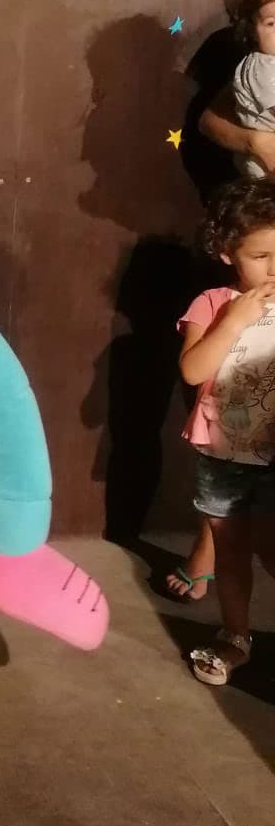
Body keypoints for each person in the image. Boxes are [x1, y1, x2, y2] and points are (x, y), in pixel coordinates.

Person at [162, 0, 275, 602]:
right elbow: (210, 122)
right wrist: (256, 139)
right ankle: (214, 549)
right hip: (261, 219)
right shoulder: (258, 70)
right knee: (241, 391)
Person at [175, 177, 275, 685]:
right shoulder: (212, 304)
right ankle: (236, 636)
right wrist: (233, 322)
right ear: (226, 252)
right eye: (261, 255)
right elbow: (193, 371)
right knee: (231, 554)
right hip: (224, 454)